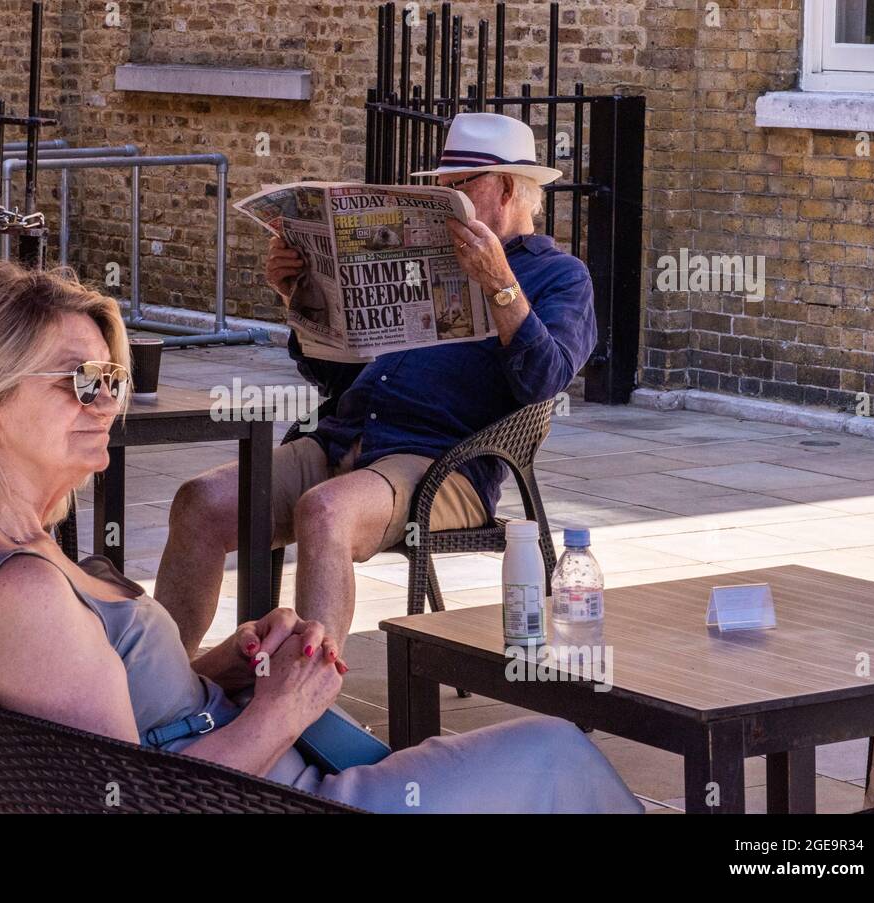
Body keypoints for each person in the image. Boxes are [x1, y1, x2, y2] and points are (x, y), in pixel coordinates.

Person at [0, 261, 641, 813]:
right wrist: (290, 705)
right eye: (78, 381)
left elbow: (107, 724)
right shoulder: (21, 590)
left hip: (253, 767)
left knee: (531, 756)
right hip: (280, 794)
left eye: (109, 379)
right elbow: (135, 807)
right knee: (555, 751)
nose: (105, 403)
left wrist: (226, 669)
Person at [155, 113, 598, 655]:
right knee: (200, 500)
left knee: (325, 512)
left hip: (440, 461)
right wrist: (301, 298)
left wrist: (501, 284)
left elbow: (544, 382)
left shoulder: (561, 276)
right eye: (438, 187)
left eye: (457, 189)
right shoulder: (417, 257)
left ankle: (303, 701)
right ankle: (166, 685)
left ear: (506, 188)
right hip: (345, 435)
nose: (443, 198)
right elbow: (336, 376)